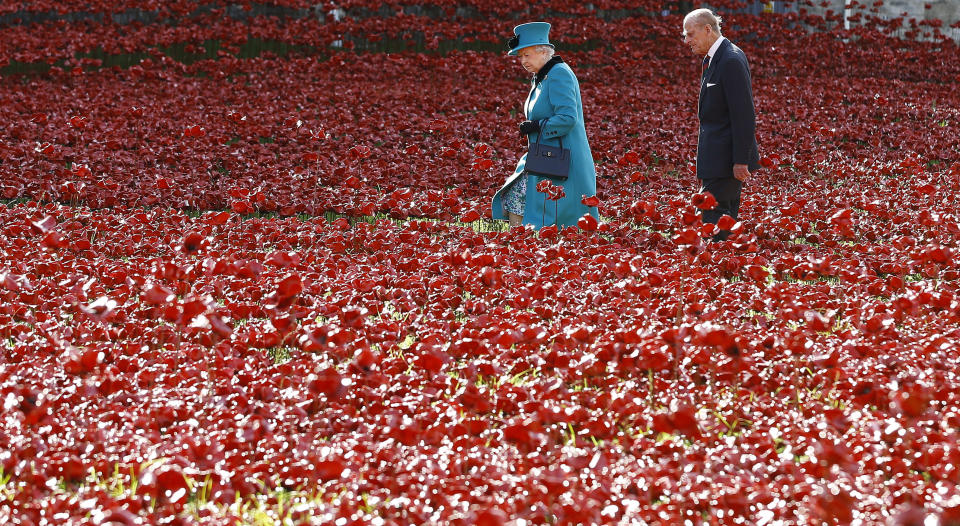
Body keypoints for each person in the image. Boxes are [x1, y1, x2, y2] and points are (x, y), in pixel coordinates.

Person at [491, 22, 598, 229]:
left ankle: (523, 246)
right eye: (520, 56)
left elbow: (568, 117)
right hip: (546, 155)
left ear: (543, 51)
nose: (522, 61)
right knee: (518, 197)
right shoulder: (542, 76)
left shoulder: (559, 74)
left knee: (522, 198)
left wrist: (538, 126)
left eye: (526, 55)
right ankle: (521, 245)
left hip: (562, 158)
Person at [683, 8, 760, 240]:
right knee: (722, 216)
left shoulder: (730, 59)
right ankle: (726, 266)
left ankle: (718, 267)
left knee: (712, 216)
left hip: (726, 160)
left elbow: (744, 114)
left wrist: (741, 160)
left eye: (690, 34)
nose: (687, 41)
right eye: (684, 35)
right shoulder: (714, 58)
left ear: (708, 30)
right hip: (715, 157)